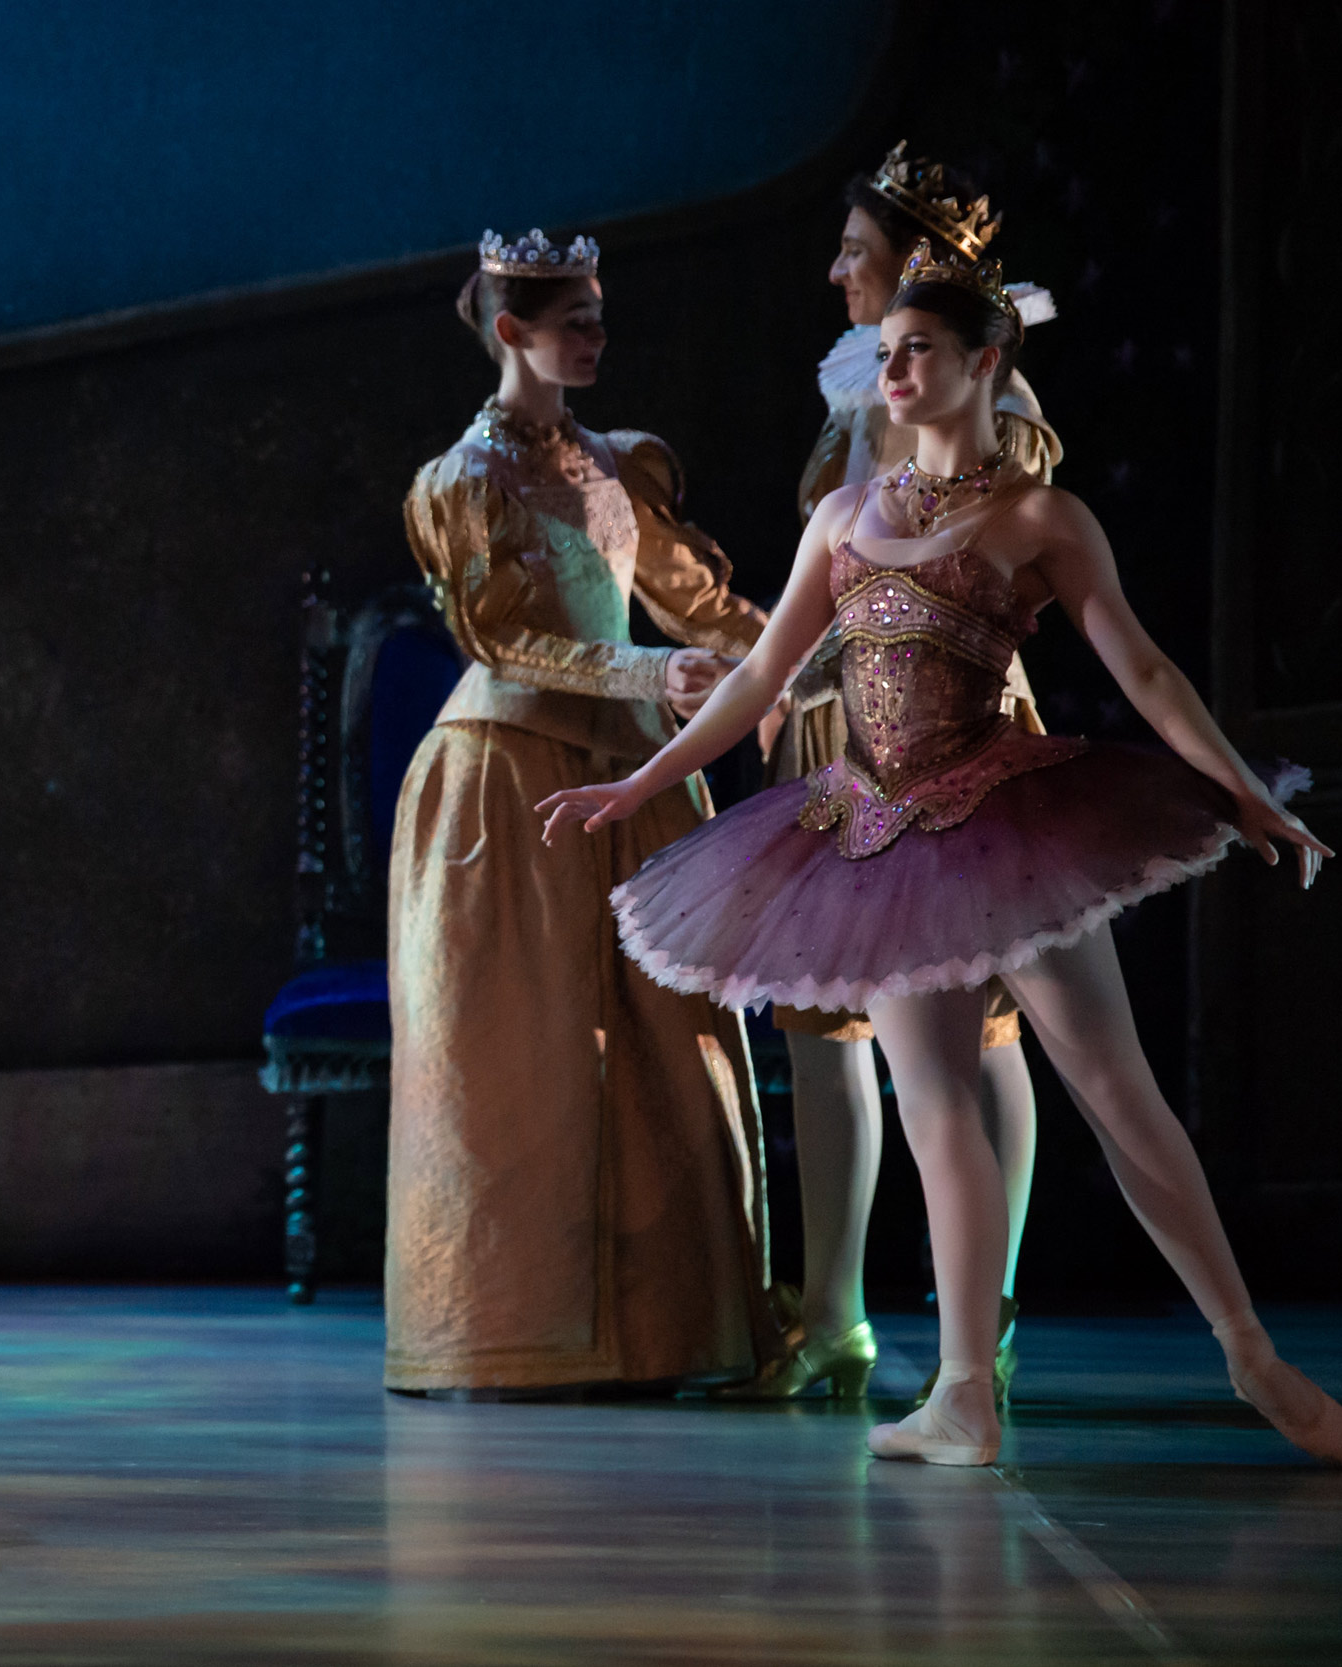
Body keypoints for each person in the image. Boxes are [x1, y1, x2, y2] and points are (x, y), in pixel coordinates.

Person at [537, 241, 1341, 1466]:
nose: (894, 368)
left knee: (1115, 1091)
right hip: (875, 836)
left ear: (985, 361)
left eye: (920, 350)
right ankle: (964, 1391)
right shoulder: (840, 517)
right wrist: (644, 776)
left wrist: (1240, 788)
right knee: (933, 1107)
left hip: (1008, 822)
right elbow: (764, 672)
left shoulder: (1038, 518)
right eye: (887, 351)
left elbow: (1144, 668)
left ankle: (1250, 1353)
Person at [385, 228, 782, 1397]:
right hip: (506, 776)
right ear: (512, 332)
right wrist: (648, 676)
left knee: (666, 1045)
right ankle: (503, 1328)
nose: (597, 338)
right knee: (522, 1051)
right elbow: (502, 637)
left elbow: (696, 601)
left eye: (601, 316)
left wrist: (807, 658)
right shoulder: (464, 479)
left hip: (635, 773)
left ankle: (660, 1334)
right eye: (576, 323)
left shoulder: (617, 463)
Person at [735, 143, 1062, 1405]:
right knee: (830, 1021)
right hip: (836, 726)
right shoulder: (857, 384)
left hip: (952, 728)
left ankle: (989, 1303)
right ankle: (833, 1310)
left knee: (981, 1023)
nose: (835, 275)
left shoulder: (983, 400)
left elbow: (991, 565)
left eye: (856, 256)